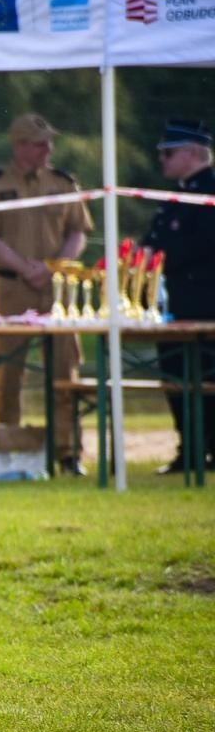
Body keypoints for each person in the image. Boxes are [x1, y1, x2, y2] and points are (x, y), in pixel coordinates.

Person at [0, 112, 94, 476]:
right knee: (8, 373)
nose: (47, 149)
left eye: (49, 143)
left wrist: (55, 265)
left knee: (64, 372)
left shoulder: (63, 183)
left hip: (56, 289)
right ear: (19, 145)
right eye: (40, 143)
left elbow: (78, 230)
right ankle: (11, 448)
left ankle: (67, 452)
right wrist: (25, 267)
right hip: (11, 288)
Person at [142, 118, 215, 475]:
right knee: (175, 376)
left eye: (169, 153)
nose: (163, 161)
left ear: (192, 153)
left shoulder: (208, 191)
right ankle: (189, 449)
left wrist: (161, 257)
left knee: (207, 377)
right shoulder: (174, 196)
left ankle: (210, 448)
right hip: (173, 303)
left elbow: (201, 245)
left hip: (205, 304)